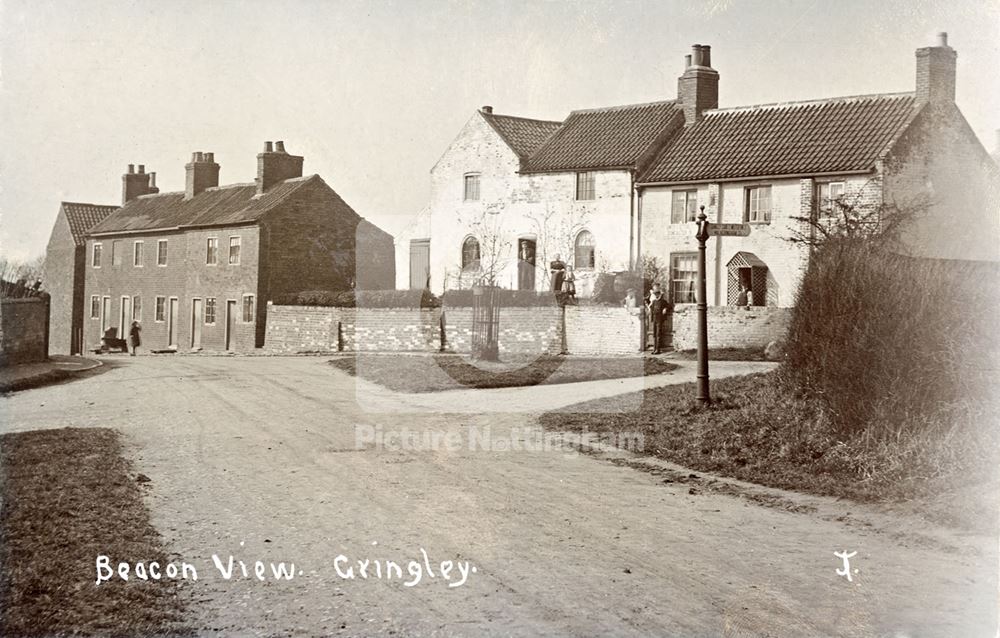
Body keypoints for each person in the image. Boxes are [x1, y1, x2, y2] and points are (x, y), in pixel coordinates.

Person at [648, 287, 670, 354]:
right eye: (655, 294)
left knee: (658, 335)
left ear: (660, 295)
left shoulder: (663, 301)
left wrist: (665, 309)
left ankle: (658, 349)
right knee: (654, 334)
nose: (657, 295)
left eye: (658, 294)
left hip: (660, 320)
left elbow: (669, 306)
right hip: (654, 319)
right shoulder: (654, 302)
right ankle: (654, 349)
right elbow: (650, 308)